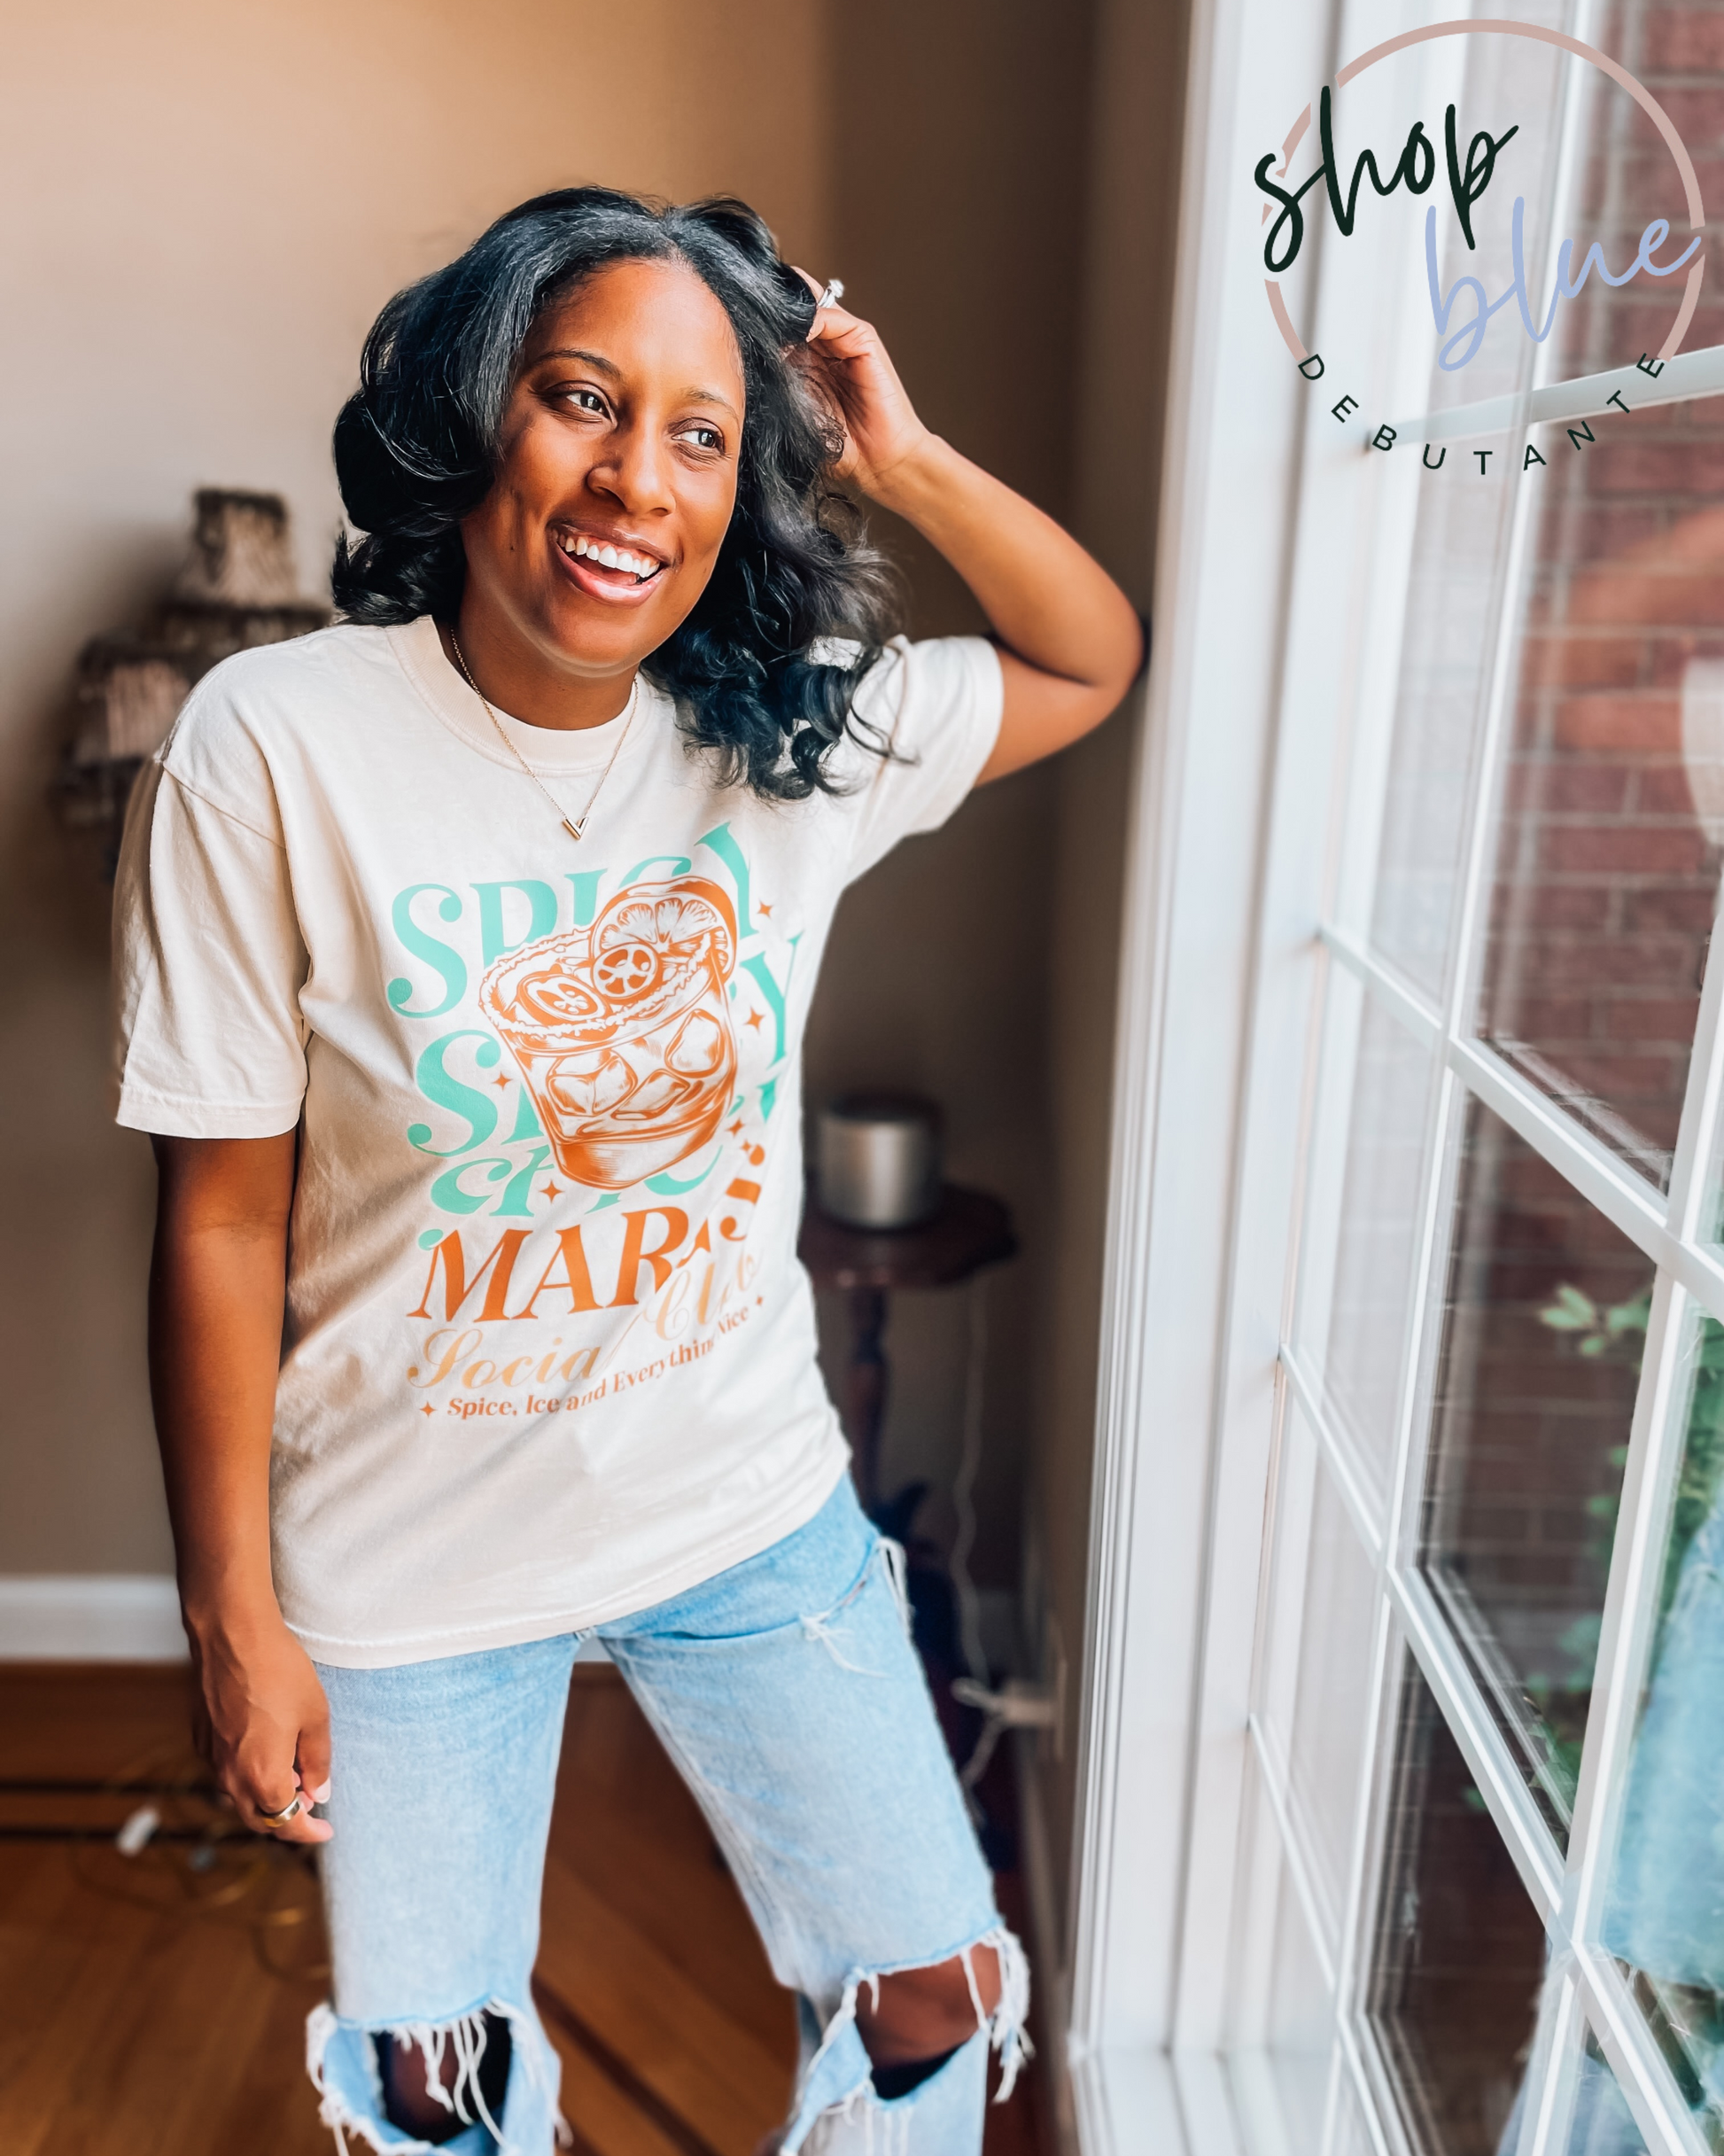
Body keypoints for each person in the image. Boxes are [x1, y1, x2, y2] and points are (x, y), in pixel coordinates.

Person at [112, 186, 1141, 2155]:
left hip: (738, 1495)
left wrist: (902, 460)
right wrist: (232, 1616)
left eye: (700, 433)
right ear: (476, 408)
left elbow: (1086, 657)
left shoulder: (780, 731)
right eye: (583, 399)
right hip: (405, 1553)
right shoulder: (276, 744)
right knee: (435, 2082)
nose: (635, 480)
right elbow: (222, 1218)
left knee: (935, 1990)